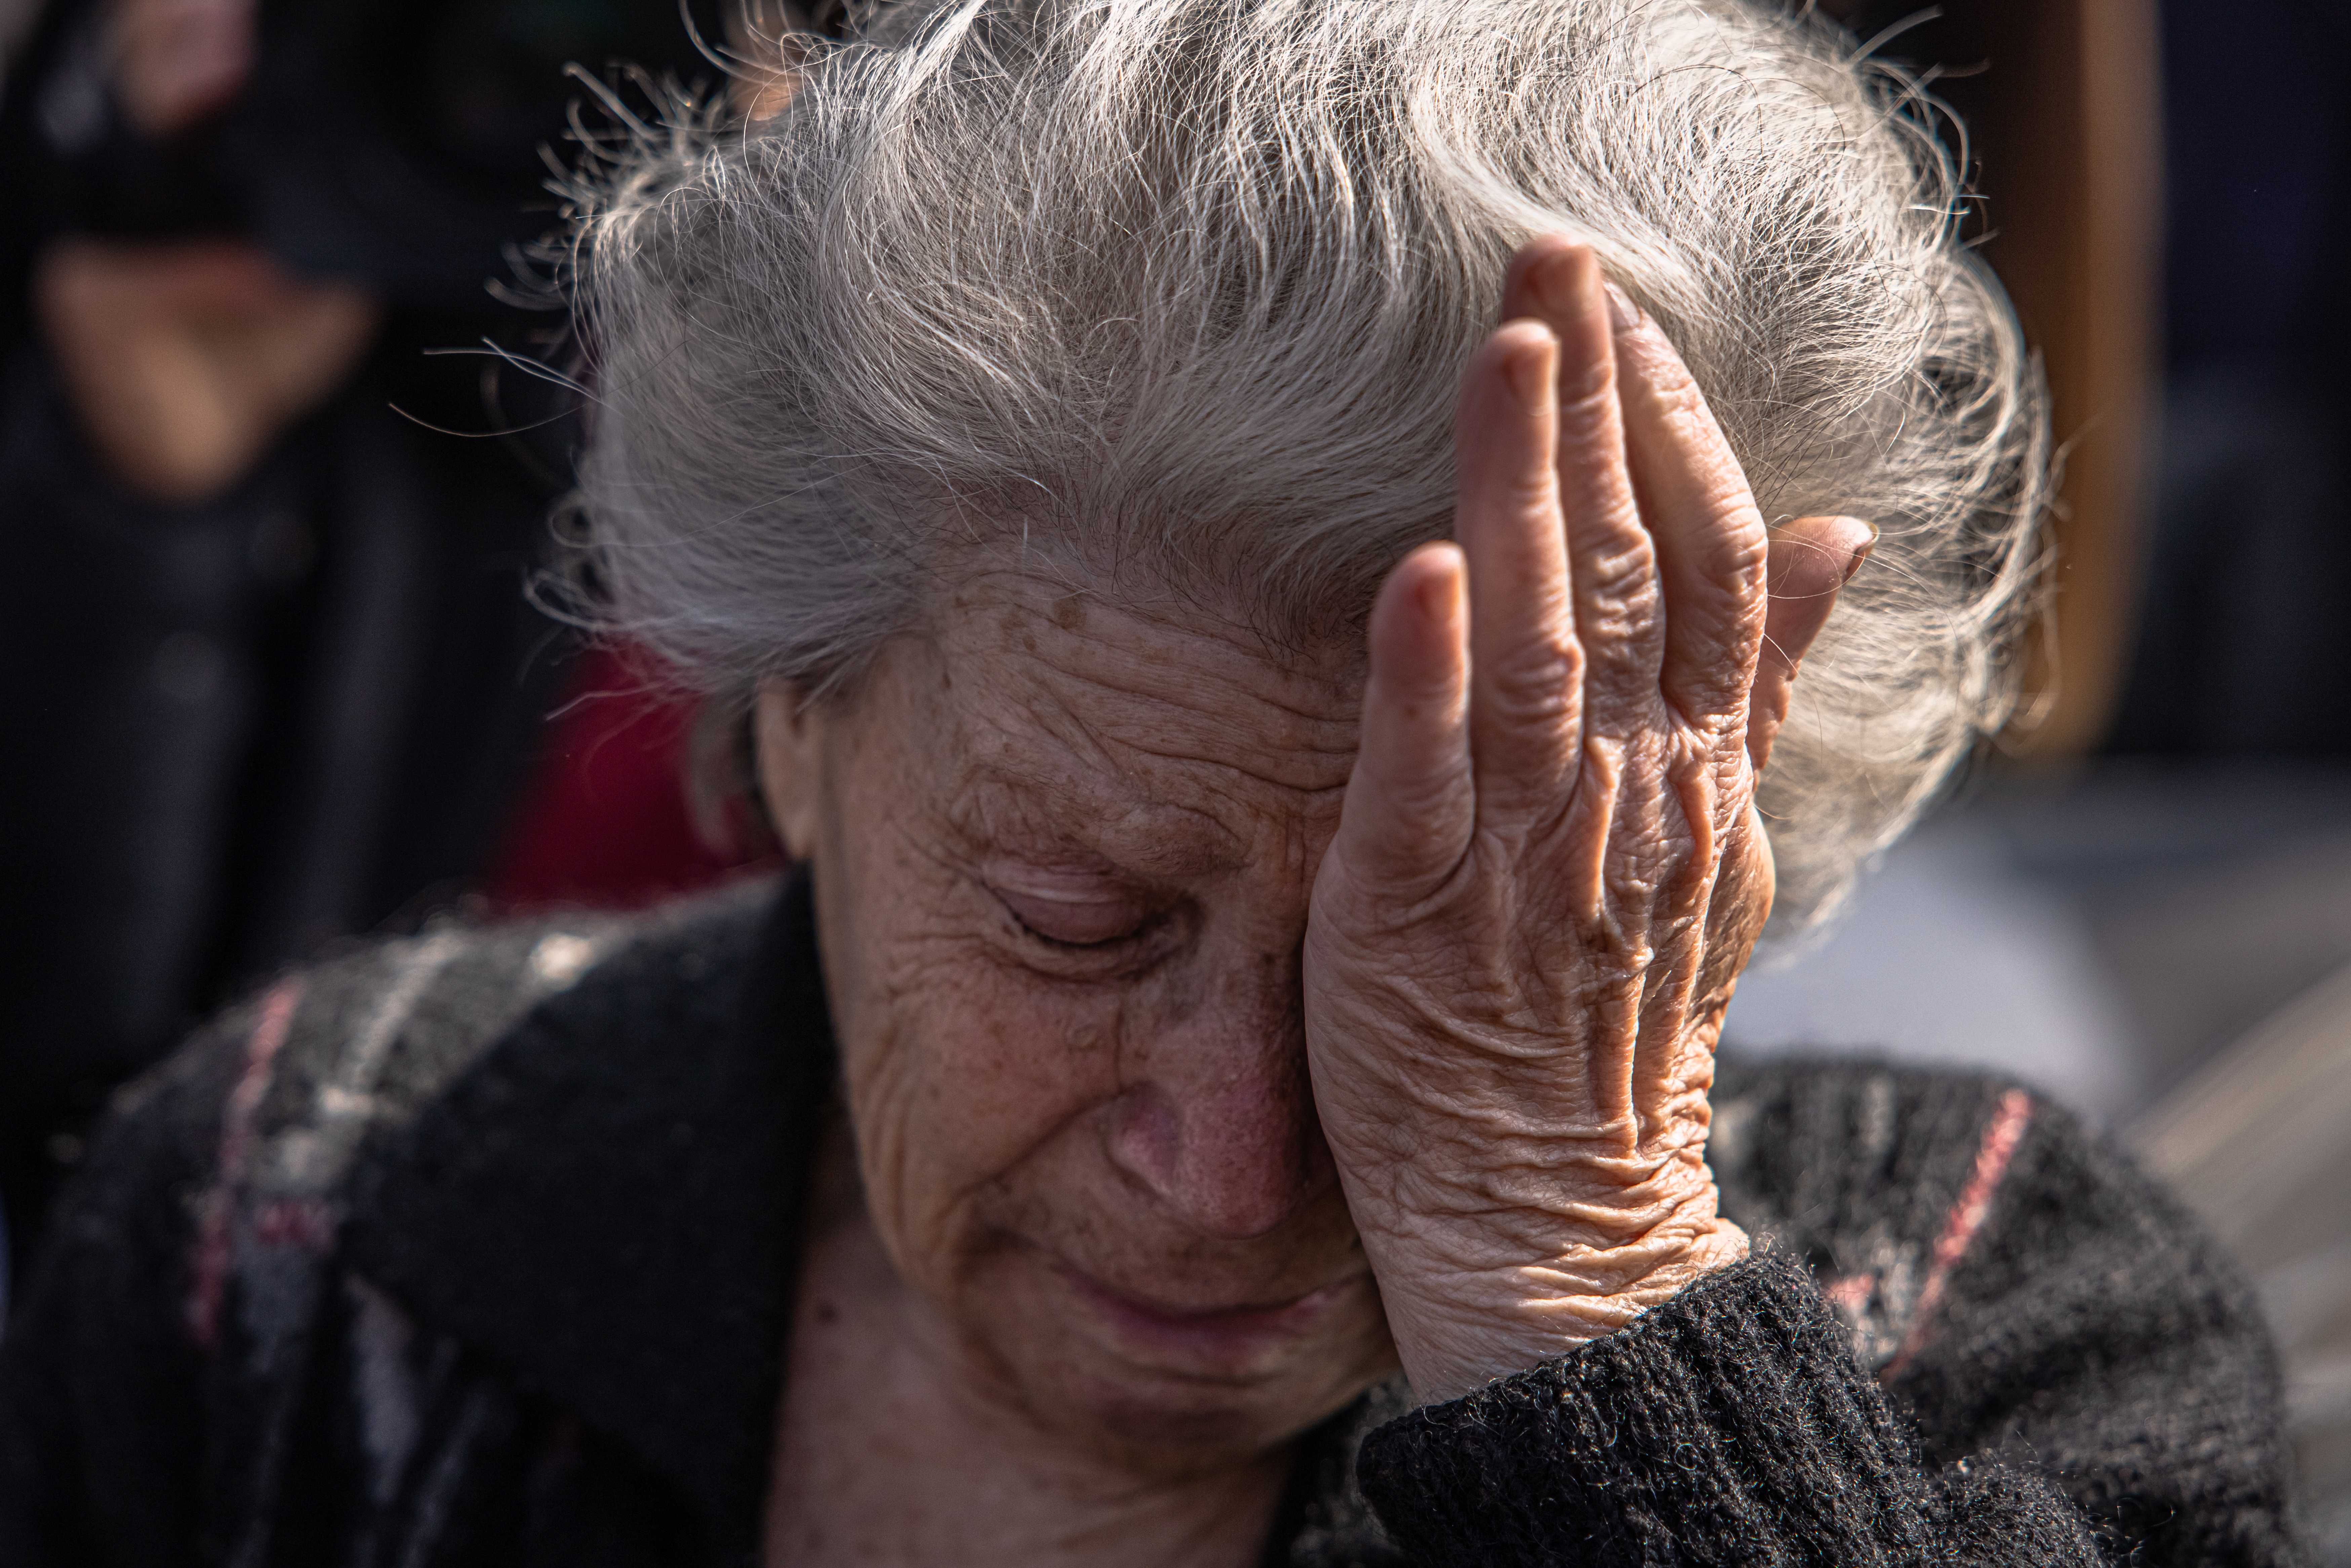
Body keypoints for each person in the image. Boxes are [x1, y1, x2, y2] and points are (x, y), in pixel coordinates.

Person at [0, 1, 2304, 1563]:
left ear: (1705, 844)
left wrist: (1576, 1292)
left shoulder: (1992, 1322)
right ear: (794, 722)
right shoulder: (295, 1223)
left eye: (1464, 965)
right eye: (1076, 918)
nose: (1227, 1177)